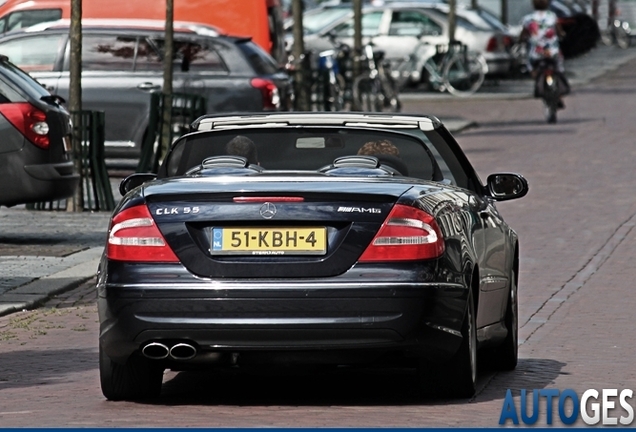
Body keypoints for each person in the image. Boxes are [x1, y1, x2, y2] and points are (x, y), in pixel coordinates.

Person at [519, 0, 570, 108]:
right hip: (552, 52)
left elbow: (523, 35)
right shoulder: (552, 16)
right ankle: (559, 94)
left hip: (536, 53)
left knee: (529, 63)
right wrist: (562, 35)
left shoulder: (528, 19)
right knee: (559, 68)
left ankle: (535, 76)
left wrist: (521, 40)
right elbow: (559, 32)